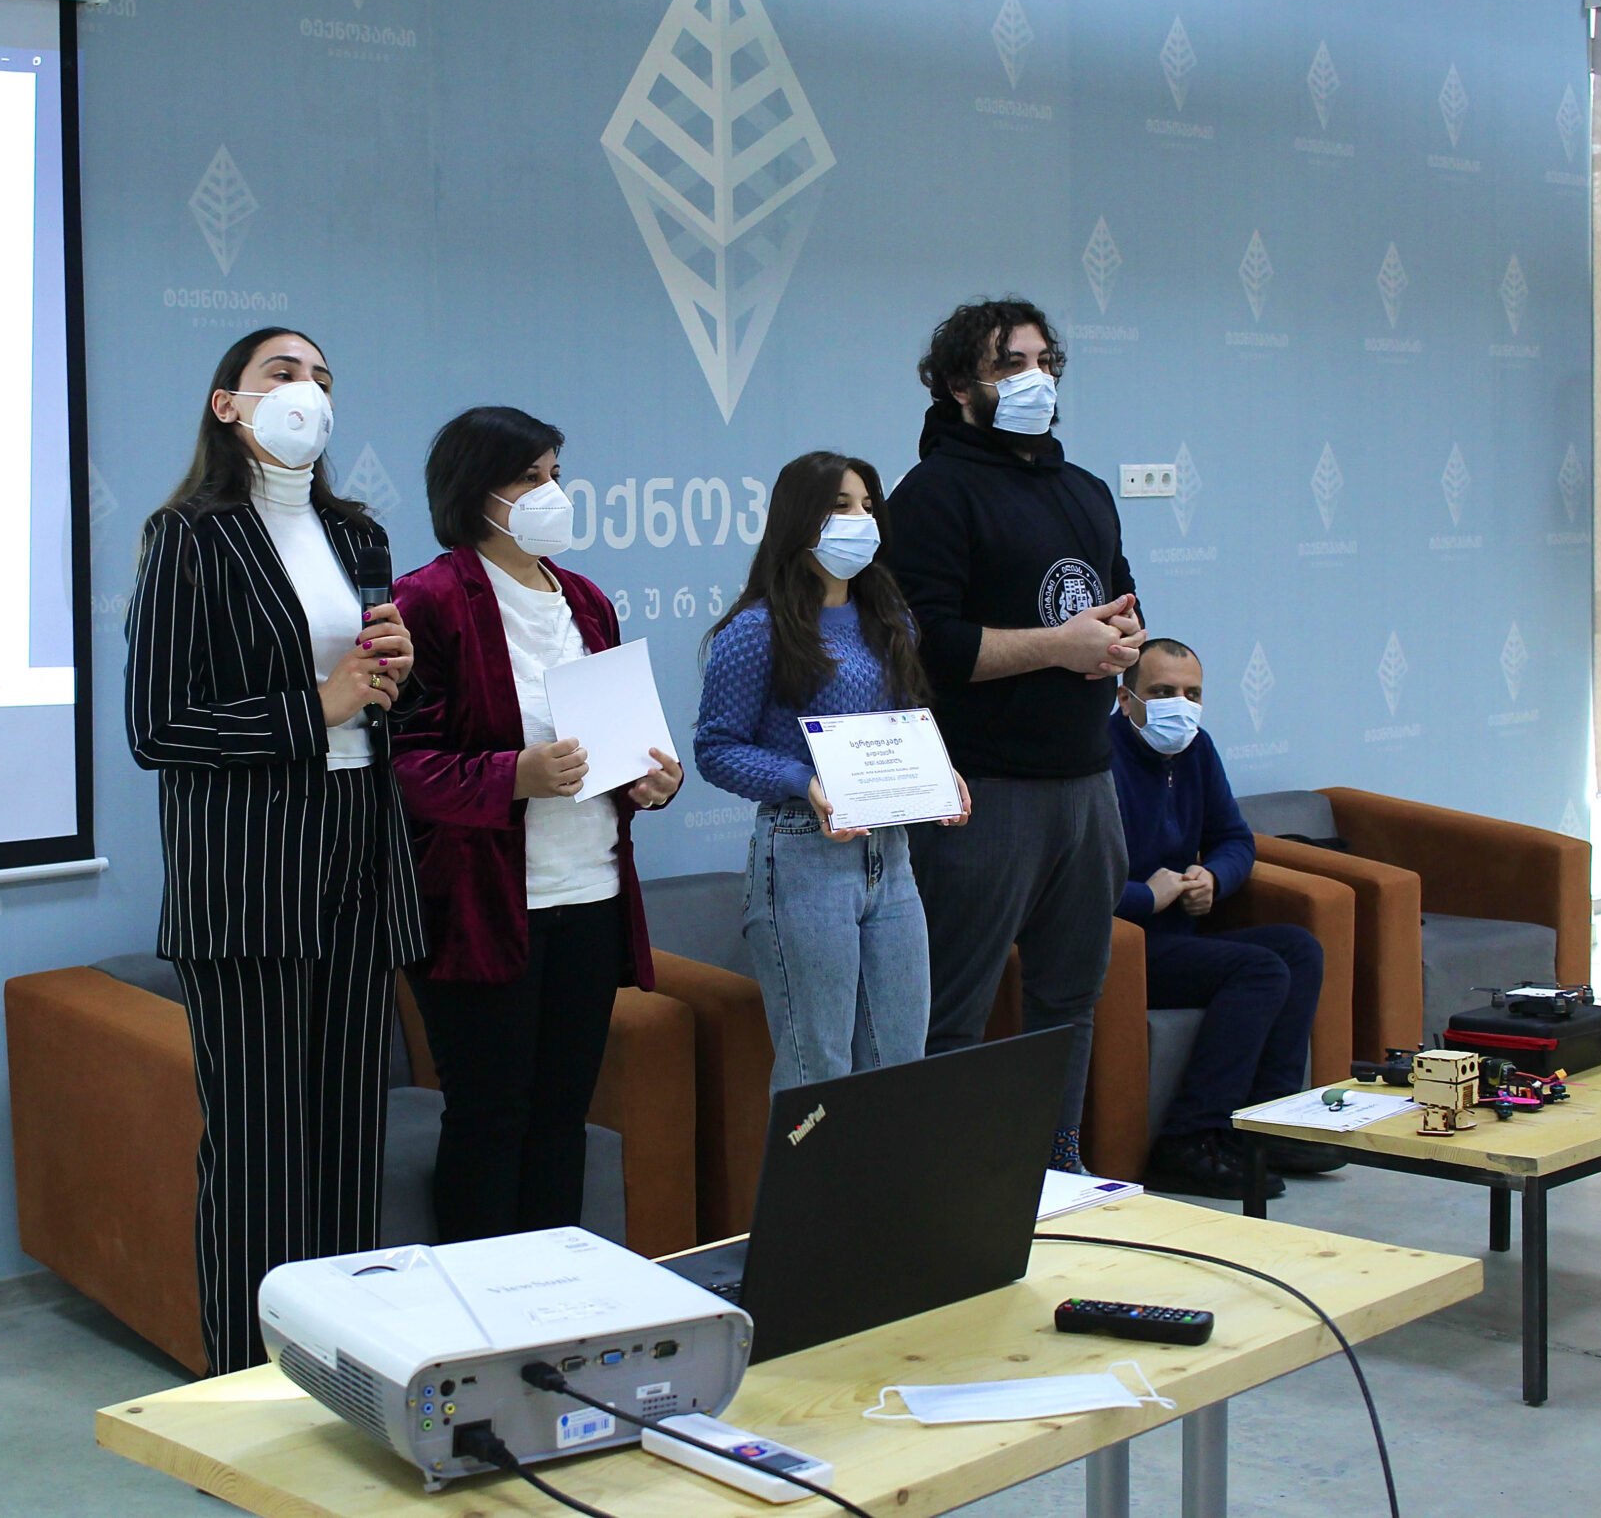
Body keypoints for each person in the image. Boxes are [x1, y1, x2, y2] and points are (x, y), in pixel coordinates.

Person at [124, 326, 423, 1373]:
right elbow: (158, 727)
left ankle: (344, 1379)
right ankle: (248, 1394)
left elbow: (375, 701)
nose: (308, 392)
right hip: (249, 876)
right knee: (259, 1154)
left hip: (358, 854)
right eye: (282, 373)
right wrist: (315, 706)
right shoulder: (189, 537)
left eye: (322, 379)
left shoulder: (358, 535)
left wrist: (396, 676)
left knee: (346, 1144)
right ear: (229, 404)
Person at [390, 406, 685, 1241]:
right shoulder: (428, 600)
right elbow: (401, 768)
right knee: (489, 1118)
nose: (552, 493)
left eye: (556, 474)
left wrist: (655, 780)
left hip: (589, 893)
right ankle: (479, 1302)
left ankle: (555, 1290)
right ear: (474, 491)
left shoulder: (585, 599)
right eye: (528, 478)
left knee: (563, 1116)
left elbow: (623, 742)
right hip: (480, 909)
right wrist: (511, 775)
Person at [886, 297, 1145, 1174]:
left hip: (1088, 780)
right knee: (949, 1010)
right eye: (1010, 365)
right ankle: (944, 1193)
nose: (1035, 380)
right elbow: (928, 645)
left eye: (1044, 363)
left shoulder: (1085, 490)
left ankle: (1056, 1166)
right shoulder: (933, 493)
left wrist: (1123, 638)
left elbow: (1121, 599)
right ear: (961, 386)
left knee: (1070, 1000)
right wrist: (1060, 646)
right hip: (982, 789)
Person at [694, 451, 968, 1093]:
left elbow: (900, 721)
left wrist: (937, 773)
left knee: (900, 1061)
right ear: (800, 519)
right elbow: (717, 748)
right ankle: (807, 1168)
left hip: (890, 854)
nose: (860, 520)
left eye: (868, 506)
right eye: (840, 506)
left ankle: (883, 1168)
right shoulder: (756, 630)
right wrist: (804, 782)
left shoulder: (891, 618)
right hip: (803, 854)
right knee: (818, 1069)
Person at [1110, 638, 1342, 1199]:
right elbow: (1069, 878)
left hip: (1179, 938)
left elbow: (1235, 839)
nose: (1181, 706)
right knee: (1259, 970)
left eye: (1192, 694)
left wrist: (1214, 878)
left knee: (1298, 948)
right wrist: (1145, 897)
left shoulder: (1198, 750)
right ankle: (1190, 1139)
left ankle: (1270, 1125)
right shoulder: (1097, 759)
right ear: (1125, 698)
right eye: (1162, 692)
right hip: (1121, 947)